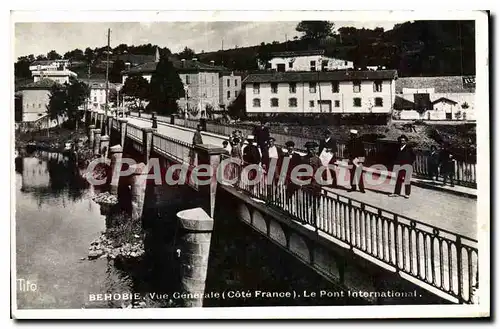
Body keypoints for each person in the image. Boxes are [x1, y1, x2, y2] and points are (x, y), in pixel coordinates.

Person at [300, 141, 322, 223]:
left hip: (316, 185)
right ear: (307, 150)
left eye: (313, 149)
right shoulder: (303, 159)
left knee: (316, 204)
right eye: (310, 149)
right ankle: (305, 219)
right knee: (306, 203)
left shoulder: (318, 160)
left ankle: (314, 220)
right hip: (307, 185)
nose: (311, 151)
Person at [282, 141, 302, 213]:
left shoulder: (297, 156)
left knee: (295, 193)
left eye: (291, 147)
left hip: (295, 177)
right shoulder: (284, 156)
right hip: (288, 177)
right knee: (288, 193)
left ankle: (295, 209)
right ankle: (287, 206)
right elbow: (283, 167)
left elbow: (300, 167)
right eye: (289, 147)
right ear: (287, 148)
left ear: (293, 147)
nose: (290, 148)